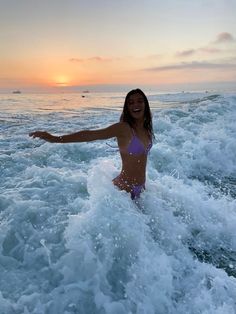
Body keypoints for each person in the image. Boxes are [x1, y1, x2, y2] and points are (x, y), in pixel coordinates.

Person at [29, 89, 154, 200]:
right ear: (127, 108)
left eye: (139, 101)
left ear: (145, 104)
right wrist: (55, 138)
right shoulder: (123, 128)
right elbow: (91, 135)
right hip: (122, 193)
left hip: (141, 190)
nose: (135, 105)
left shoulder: (146, 129)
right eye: (131, 103)